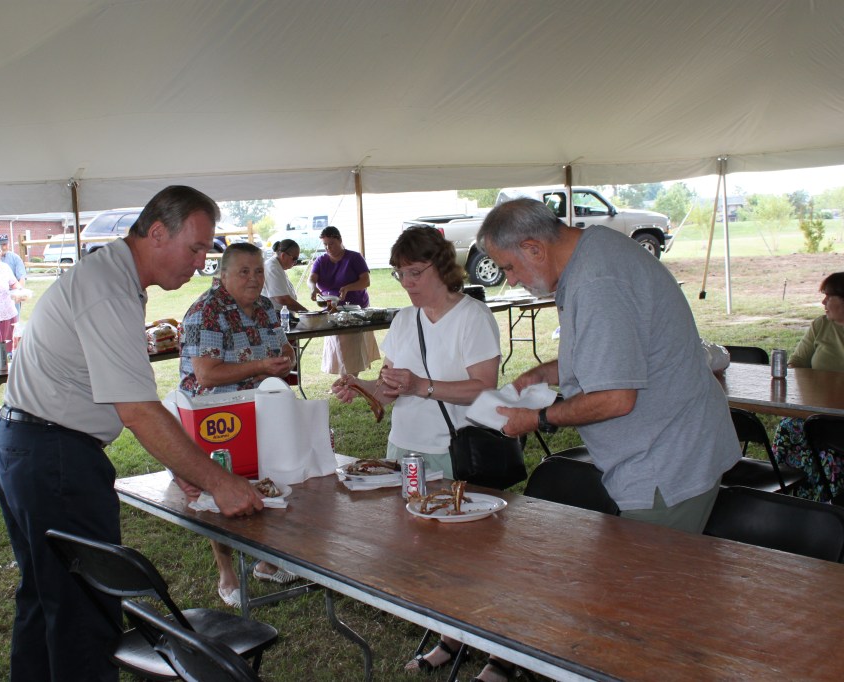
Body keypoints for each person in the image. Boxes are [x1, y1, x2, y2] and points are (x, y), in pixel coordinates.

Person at [0, 186, 263, 682]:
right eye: (195, 248)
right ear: (157, 232)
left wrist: (186, 466)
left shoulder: (111, 277)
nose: (201, 262)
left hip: (27, 445)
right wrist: (218, 481)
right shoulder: (109, 288)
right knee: (84, 617)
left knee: (45, 600)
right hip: (54, 456)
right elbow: (137, 409)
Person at [479, 199, 738, 533]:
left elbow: (616, 398)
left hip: (666, 462)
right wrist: (545, 372)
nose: (511, 281)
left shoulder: (597, 282)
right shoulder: (594, 251)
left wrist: (538, 418)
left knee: (644, 565)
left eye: (509, 267)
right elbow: (618, 353)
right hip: (664, 451)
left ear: (534, 249)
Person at [330, 226, 504, 681]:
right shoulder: (405, 320)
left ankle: (500, 655)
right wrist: (362, 386)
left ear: (441, 267)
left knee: (469, 557)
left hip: (453, 452)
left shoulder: (472, 317)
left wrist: (420, 386)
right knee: (422, 556)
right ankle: (450, 638)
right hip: (405, 451)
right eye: (400, 273)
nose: (407, 283)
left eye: (415, 272)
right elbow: (392, 389)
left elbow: (484, 388)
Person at [179, 243, 298, 605]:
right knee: (220, 490)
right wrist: (260, 367)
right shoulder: (206, 312)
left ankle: (266, 559)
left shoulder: (265, 307)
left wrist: (285, 359)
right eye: (244, 272)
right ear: (224, 275)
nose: (254, 278)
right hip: (216, 415)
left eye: (258, 271)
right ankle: (226, 571)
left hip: (262, 408)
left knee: (269, 479)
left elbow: (282, 349)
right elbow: (206, 374)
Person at [773, 272, 844, 501]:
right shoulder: (820, 325)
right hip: (817, 413)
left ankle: (829, 501)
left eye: (828, 297)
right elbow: (797, 363)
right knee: (787, 427)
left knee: (829, 444)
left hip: (838, 419)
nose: (823, 302)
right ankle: (797, 498)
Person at [308, 226, 379, 374]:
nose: (328, 248)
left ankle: (350, 380)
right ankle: (346, 379)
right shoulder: (321, 261)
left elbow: (365, 281)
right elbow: (311, 279)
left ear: (340, 240)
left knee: (352, 348)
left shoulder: (354, 257)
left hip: (355, 309)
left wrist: (348, 288)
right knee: (338, 348)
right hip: (331, 310)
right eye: (325, 245)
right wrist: (313, 288)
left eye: (331, 243)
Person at [262, 238, 308, 312]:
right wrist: (307, 313)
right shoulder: (273, 268)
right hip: (275, 315)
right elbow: (282, 299)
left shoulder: (277, 266)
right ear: (283, 255)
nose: (295, 262)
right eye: (294, 258)